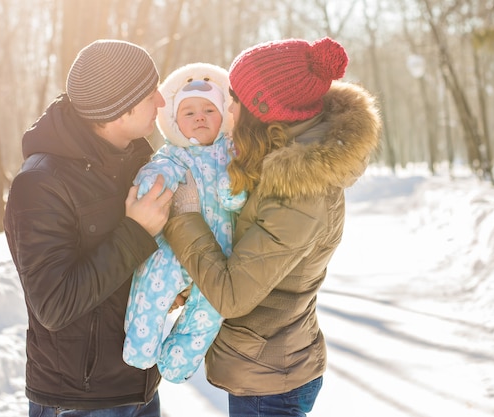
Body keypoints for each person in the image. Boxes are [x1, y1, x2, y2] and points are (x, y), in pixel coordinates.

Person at [163, 37, 382, 416]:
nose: (227, 108)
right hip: (269, 365)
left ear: (264, 111)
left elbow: (232, 293)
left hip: (270, 383)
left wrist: (184, 216)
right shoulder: (282, 157)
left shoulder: (299, 191)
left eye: (236, 100)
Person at [3, 39, 173, 416]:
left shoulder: (134, 161)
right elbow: (54, 305)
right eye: (150, 94)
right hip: (79, 401)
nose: (161, 102)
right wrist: (135, 232)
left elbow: (122, 271)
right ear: (119, 110)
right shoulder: (40, 183)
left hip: (140, 384)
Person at [123, 62, 247, 384]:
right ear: (175, 122)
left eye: (209, 110)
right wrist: (152, 181)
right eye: (189, 113)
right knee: (151, 286)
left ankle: (177, 363)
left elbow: (240, 185)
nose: (200, 117)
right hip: (172, 247)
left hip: (216, 252)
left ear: (223, 116)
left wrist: (234, 186)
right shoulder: (173, 154)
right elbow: (156, 173)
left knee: (210, 309)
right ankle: (140, 347)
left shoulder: (231, 152)